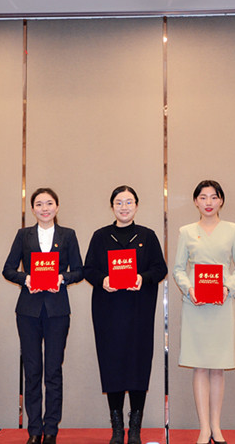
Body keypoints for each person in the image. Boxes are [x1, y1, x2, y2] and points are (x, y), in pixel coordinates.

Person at [84, 186, 167, 444]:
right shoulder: (100, 236)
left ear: (136, 206)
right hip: (108, 313)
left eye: (129, 202)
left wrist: (143, 277)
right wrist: (103, 280)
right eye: (119, 202)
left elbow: (160, 269)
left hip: (139, 312)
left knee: (138, 365)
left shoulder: (147, 236)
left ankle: (136, 428)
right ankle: (117, 428)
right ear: (112, 207)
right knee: (113, 365)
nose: (124, 207)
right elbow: (88, 269)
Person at [3, 188, 84, 444]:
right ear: (32, 209)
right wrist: (26, 279)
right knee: (32, 371)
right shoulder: (23, 235)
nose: (44, 208)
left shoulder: (68, 235)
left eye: (49, 203)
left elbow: (79, 270)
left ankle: (51, 430)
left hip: (57, 310)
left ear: (57, 207)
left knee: (53, 371)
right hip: (28, 311)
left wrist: (62, 278)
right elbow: (8, 269)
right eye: (39, 204)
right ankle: (34, 430)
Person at [173, 180, 235, 444]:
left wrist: (228, 288)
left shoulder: (233, 230)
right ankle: (204, 428)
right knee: (199, 366)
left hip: (221, 305)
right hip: (195, 305)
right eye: (203, 197)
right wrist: (188, 289)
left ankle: (216, 426)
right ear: (195, 201)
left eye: (213, 197)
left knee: (218, 368)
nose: (208, 202)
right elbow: (178, 269)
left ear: (221, 200)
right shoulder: (186, 232)